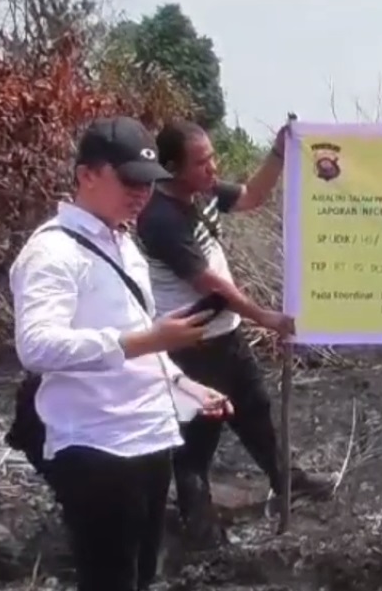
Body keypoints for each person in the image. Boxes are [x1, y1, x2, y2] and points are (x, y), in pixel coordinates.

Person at [9, 116, 231, 591]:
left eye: (147, 183)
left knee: (143, 575)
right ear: (87, 175)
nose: (140, 193)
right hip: (96, 446)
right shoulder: (52, 252)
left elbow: (139, 337)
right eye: (128, 180)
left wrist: (186, 386)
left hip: (149, 435)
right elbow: (36, 346)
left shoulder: (125, 242)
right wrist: (146, 342)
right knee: (110, 579)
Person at [134, 119, 329, 546]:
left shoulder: (199, 191)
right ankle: (200, 530)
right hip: (192, 343)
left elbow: (253, 196)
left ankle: (287, 482)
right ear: (171, 167)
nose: (212, 168)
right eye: (202, 162)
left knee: (256, 411)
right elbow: (213, 287)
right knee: (198, 438)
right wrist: (268, 317)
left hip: (226, 335)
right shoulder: (160, 219)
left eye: (212, 158)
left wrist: (279, 153)